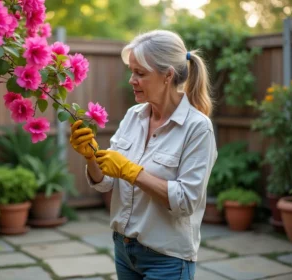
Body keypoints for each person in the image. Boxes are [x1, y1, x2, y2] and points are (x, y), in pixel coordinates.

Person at [69, 30, 217, 280]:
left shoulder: (197, 128)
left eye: (140, 73)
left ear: (167, 75)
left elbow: (187, 201)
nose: (131, 80)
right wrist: (90, 157)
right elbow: (106, 183)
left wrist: (133, 172)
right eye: (132, 71)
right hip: (124, 251)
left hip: (167, 259)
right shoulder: (133, 116)